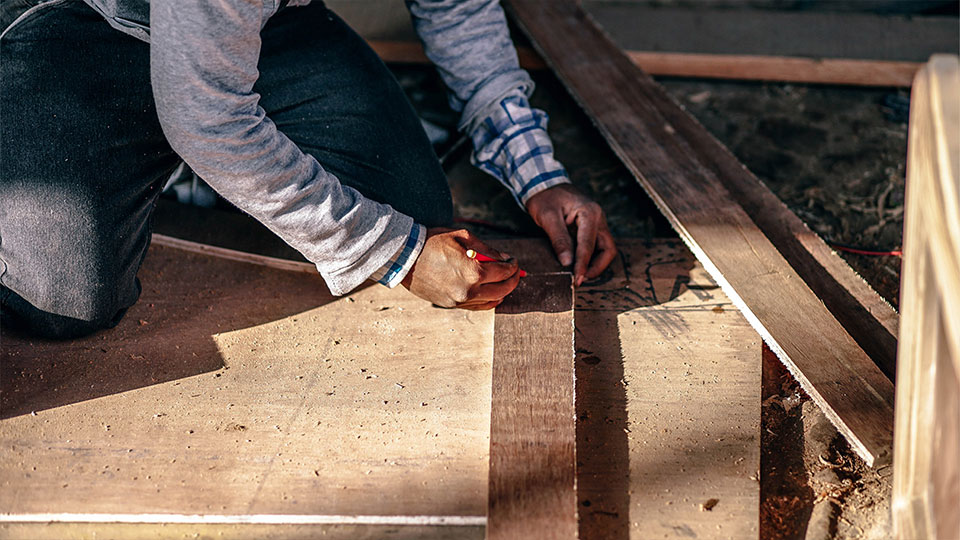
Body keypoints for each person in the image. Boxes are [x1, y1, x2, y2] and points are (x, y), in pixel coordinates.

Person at [0, 0, 616, 340]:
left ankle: (197, 174)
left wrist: (538, 174)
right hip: (90, 21)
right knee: (61, 303)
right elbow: (209, 116)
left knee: (411, 207)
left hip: (265, 23)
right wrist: (396, 252)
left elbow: (457, 10)